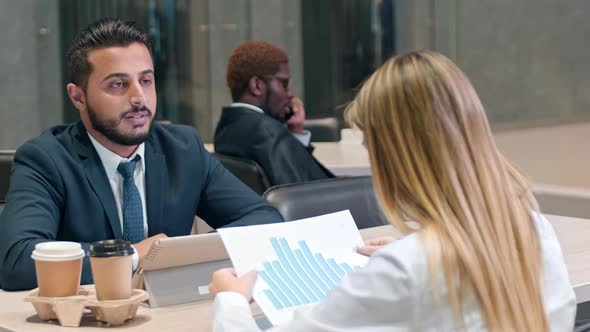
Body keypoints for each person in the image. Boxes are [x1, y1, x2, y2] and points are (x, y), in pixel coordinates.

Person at [208, 51, 576, 331]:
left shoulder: (404, 270)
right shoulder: (534, 230)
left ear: (395, 156)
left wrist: (230, 300)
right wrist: (416, 244)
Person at [0, 18, 283, 291]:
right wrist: (132, 255)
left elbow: (263, 219)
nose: (138, 98)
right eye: (118, 84)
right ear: (78, 97)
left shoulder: (183, 150)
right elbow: (17, 261)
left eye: (146, 81)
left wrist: (181, 254)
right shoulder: (46, 159)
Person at [214, 40, 335, 187]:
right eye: (283, 84)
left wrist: (295, 133)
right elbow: (303, 194)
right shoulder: (269, 133)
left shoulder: (226, 128)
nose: (290, 94)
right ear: (256, 85)